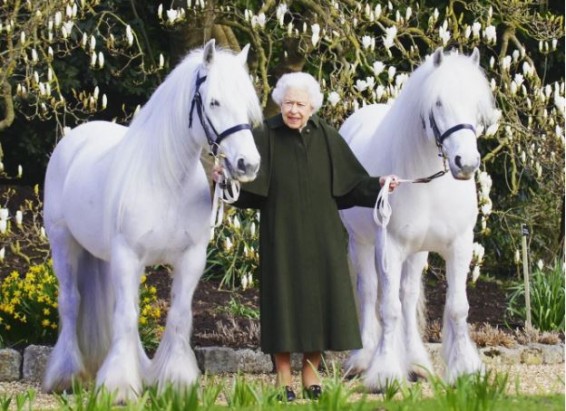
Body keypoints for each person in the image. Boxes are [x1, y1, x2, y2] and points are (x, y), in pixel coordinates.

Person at [213, 72, 399, 401]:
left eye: (300, 104)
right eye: (288, 103)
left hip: (323, 236)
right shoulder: (265, 135)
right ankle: (283, 375)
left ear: (312, 106)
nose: (294, 110)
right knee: (282, 303)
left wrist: (381, 183)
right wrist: (224, 181)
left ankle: (311, 371)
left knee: (320, 303)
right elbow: (247, 190)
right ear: (279, 104)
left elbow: (352, 184)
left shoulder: (327, 136)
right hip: (280, 235)